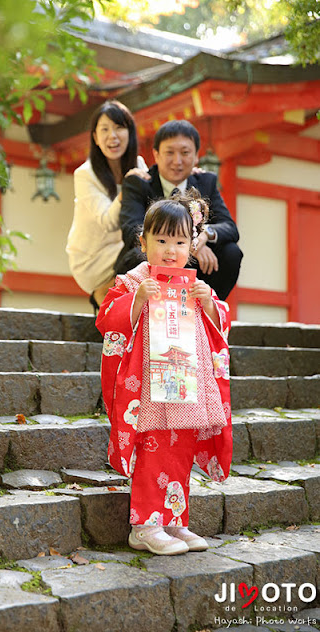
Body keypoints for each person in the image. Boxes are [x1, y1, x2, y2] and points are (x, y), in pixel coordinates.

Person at [96, 190, 233, 555]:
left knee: (180, 446)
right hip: (146, 388)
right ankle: (144, 525)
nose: (170, 249)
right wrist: (139, 298)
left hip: (183, 380)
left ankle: (175, 520)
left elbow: (222, 323)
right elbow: (106, 318)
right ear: (143, 242)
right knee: (152, 446)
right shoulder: (132, 282)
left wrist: (209, 305)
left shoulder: (196, 287)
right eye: (161, 240)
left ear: (192, 246)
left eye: (180, 241)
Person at [115, 119, 243, 300]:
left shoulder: (206, 182)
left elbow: (230, 227)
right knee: (138, 255)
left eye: (185, 153)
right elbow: (131, 231)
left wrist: (201, 237)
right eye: (169, 152)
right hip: (151, 258)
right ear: (156, 154)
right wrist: (174, 245)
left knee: (231, 253)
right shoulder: (139, 183)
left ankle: (206, 311)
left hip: (192, 263)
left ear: (196, 156)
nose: (177, 161)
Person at [66, 100, 149, 311]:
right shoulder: (85, 174)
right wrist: (128, 188)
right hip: (92, 257)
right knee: (145, 252)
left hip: (122, 247)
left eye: (119, 127)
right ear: (95, 137)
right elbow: (107, 222)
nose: (112, 136)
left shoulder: (138, 164)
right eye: (104, 129)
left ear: (130, 132)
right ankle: (103, 294)